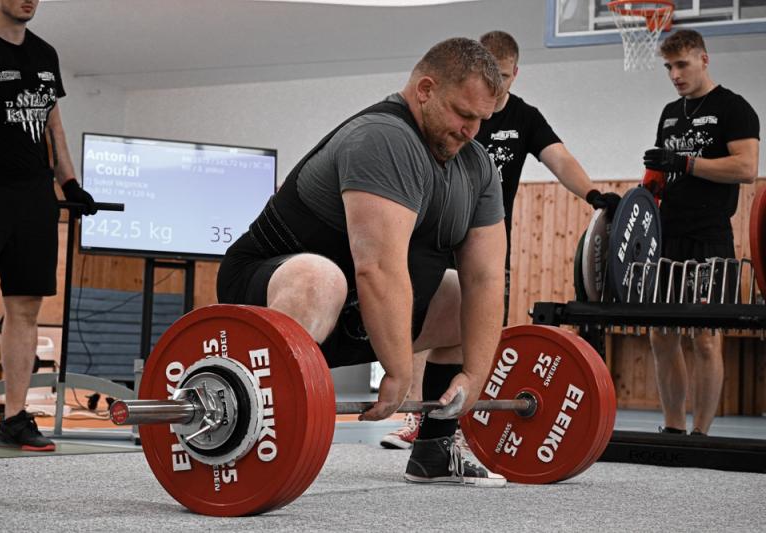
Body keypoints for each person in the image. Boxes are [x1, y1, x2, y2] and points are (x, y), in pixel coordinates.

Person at [218, 37, 507, 486]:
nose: (471, 130)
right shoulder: (384, 137)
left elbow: (486, 278)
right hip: (269, 294)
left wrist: (474, 374)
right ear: (425, 89)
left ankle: (435, 450)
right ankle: (251, 440)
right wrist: (399, 369)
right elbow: (378, 267)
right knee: (320, 278)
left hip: (353, 316)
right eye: (462, 114)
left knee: (456, 296)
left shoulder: (477, 168)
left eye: (482, 120)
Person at [380, 30, 621, 450]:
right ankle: (416, 418)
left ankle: (451, 425)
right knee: (424, 324)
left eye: (505, 75)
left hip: (483, 242)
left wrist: (593, 195)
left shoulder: (525, 117)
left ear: (515, 73)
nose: (498, 82)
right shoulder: (451, 109)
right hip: (433, 236)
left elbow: (559, 157)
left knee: (477, 328)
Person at [0, 0, 97, 451]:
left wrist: (70, 182)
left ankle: (15, 419)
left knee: (24, 306)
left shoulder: (45, 54)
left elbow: (52, 127)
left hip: (33, 197)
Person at [643, 29, 759, 436]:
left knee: (705, 338)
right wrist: (639, 199)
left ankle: (701, 434)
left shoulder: (734, 107)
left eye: (682, 65)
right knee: (661, 336)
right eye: (668, 67)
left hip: (710, 238)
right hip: (668, 237)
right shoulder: (669, 113)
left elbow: (746, 168)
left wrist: (687, 163)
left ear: (704, 60)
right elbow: (659, 175)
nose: (675, 74)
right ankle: (674, 429)